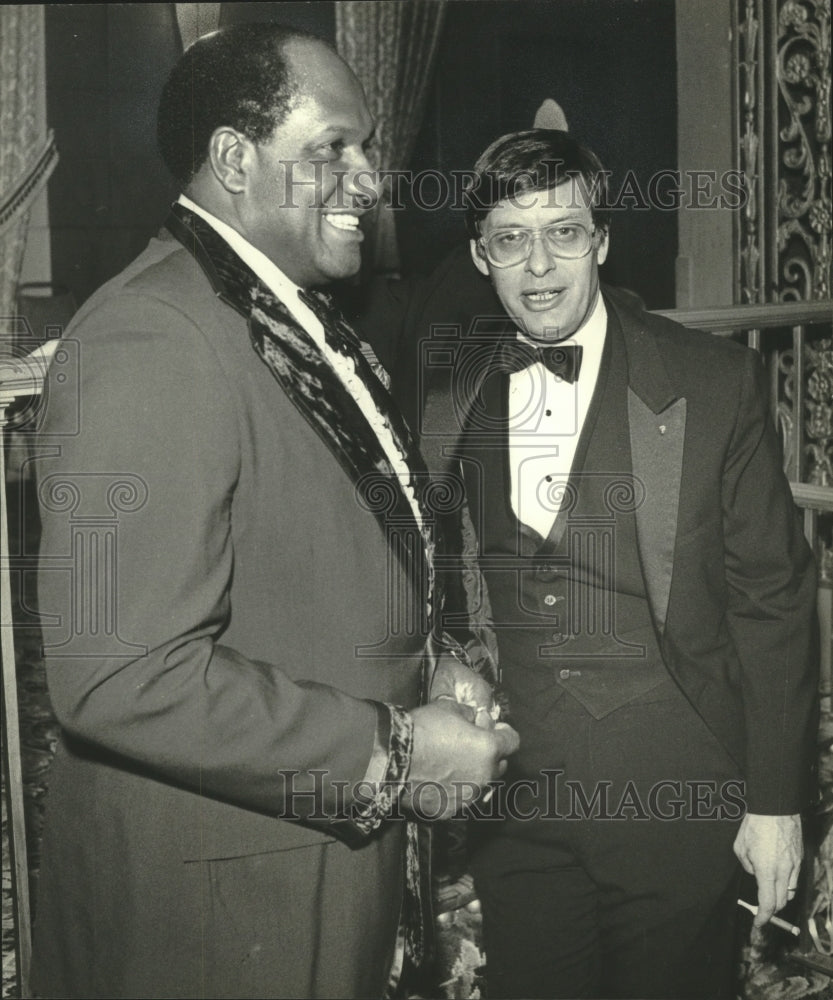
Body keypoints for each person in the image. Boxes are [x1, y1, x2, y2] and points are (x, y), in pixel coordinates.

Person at [29, 25, 518, 1000]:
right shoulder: (151, 335)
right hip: (224, 899)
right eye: (332, 147)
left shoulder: (278, 310)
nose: (370, 177)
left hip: (301, 856)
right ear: (230, 159)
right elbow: (119, 673)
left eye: (366, 146)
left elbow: (337, 540)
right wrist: (397, 749)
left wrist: (435, 660)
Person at [358, 129, 819, 998]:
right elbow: (435, 565)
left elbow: (774, 600)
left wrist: (776, 801)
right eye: (510, 238)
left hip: (675, 786)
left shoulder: (712, 383)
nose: (538, 265)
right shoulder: (450, 386)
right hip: (515, 794)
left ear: (601, 241)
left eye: (563, 233)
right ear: (478, 254)